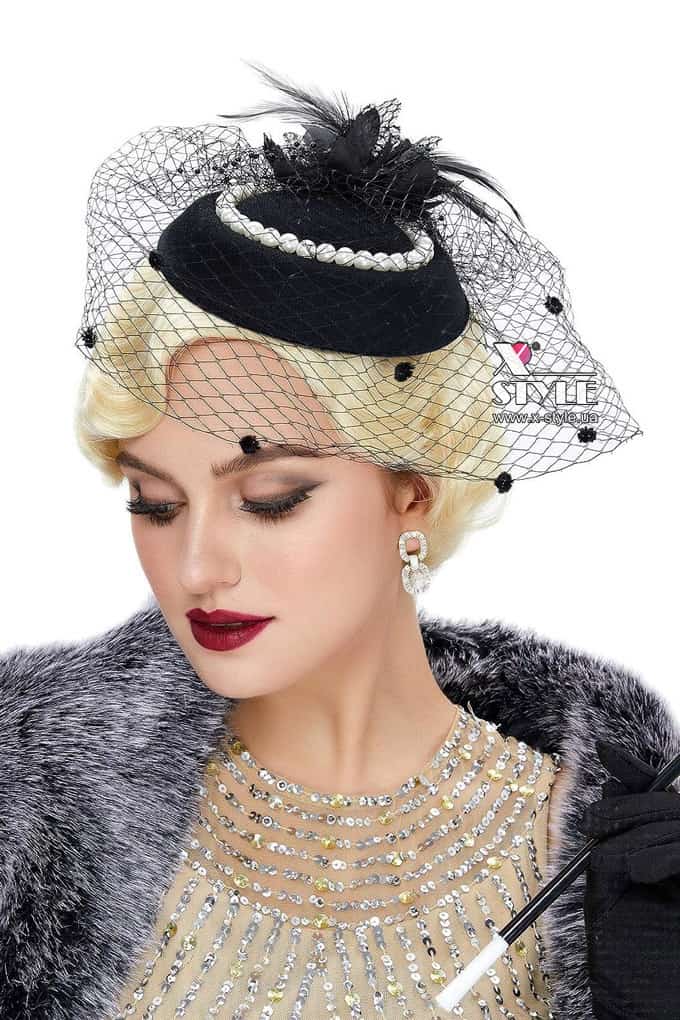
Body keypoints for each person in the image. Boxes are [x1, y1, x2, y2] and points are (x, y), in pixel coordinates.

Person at [1, 65, 679, 1019]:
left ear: (413, 493)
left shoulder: (592, 861)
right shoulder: (34, 813)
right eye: (154, 504)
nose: (196, 568)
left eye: (270, 500)